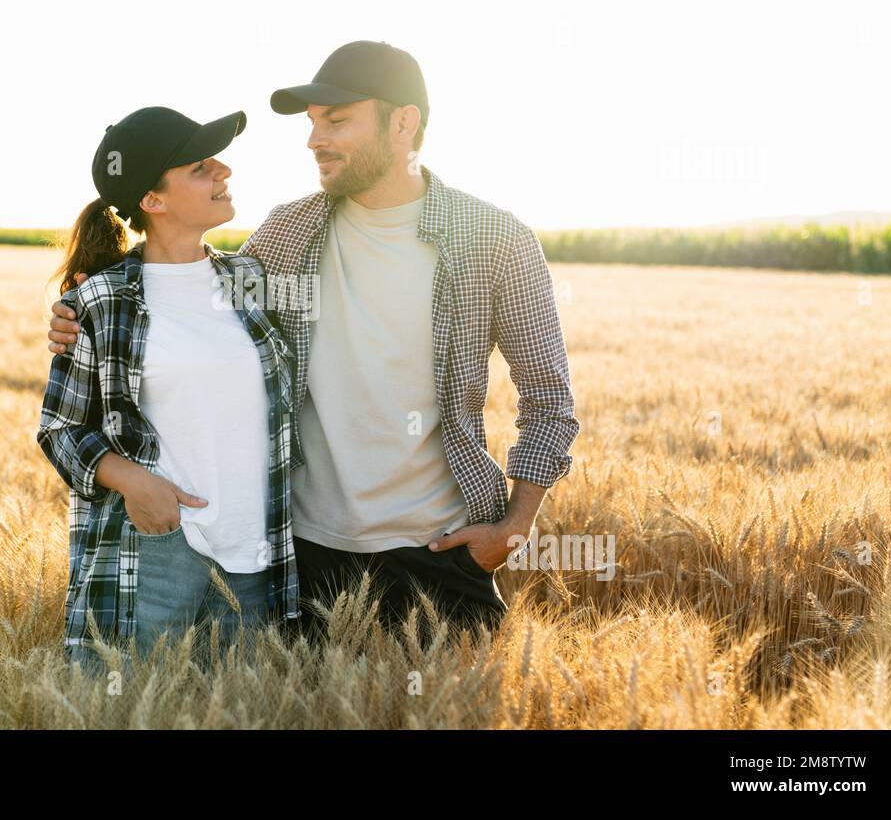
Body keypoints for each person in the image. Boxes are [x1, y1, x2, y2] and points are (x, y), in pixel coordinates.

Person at [48, 42, 580, 648]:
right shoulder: (288, 231)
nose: (314, 140)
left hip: (445, 551)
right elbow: (186, 296)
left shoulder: (496, 241)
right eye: (311, 124)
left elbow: (549, 399)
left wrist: (514, 527)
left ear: (403, 122)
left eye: (337, 120)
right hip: (307, 558)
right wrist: (84, 304)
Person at [36, 105, 299, 674]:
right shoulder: (100, 302)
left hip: (255, 554)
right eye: (201, 166)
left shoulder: (249, 283)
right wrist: (132, 481)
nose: (223, 171)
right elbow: (58, 429)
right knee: (130, 709)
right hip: (155, 550)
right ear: (152, 201)